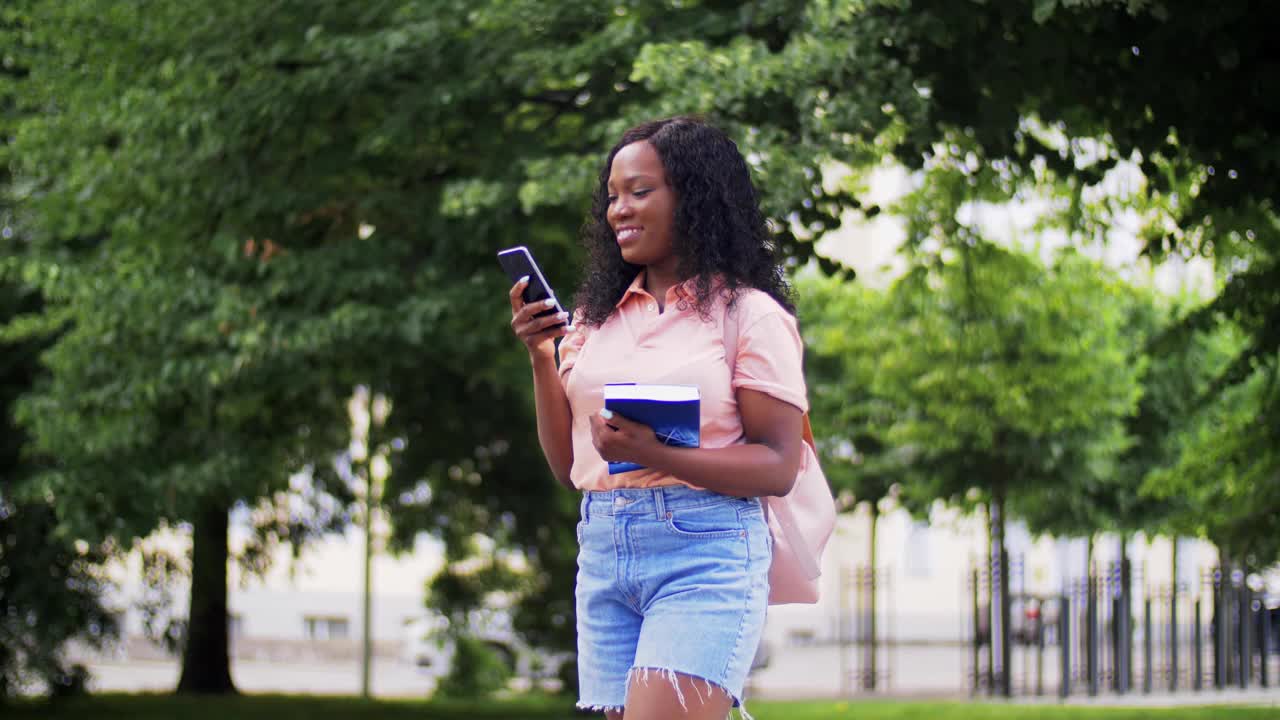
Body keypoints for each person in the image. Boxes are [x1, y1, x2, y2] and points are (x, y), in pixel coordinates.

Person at [506, 116, 808, 720]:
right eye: (613, 196)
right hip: (603, 550)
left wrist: (656, 455)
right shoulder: (596, 318)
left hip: (705, 549)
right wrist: (543, 356)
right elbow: (570, 465)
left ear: (695, 197)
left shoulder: (749, 316)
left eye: (640, 192)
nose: (620, 209)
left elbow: (779, 465)